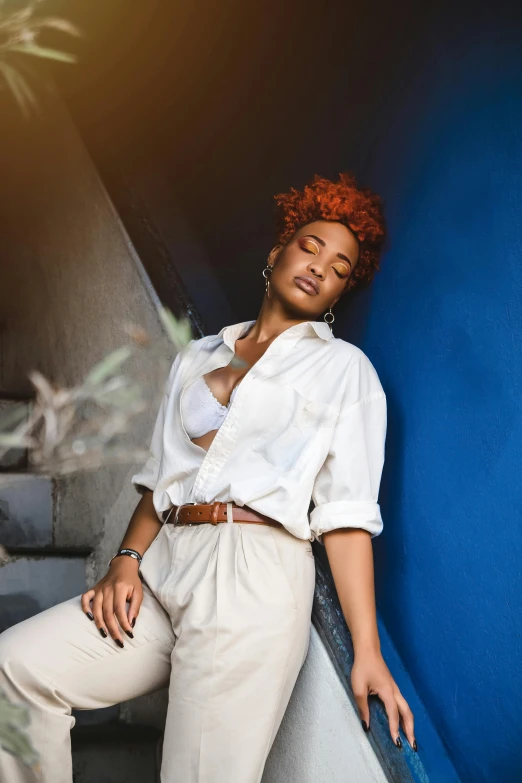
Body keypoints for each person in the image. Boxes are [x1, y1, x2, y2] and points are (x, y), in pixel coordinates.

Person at [0, 171, 416, 783]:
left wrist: (367, 652)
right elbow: (160, 478)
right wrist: (125, 560)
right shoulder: (195, 356)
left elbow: (346, 518)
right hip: (165, 565)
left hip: (252, 580)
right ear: (278, 253)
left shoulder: (345, 371)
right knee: (18, 669)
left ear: (338, 293)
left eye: (341, 266)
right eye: (310, 245)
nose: (321, 266)